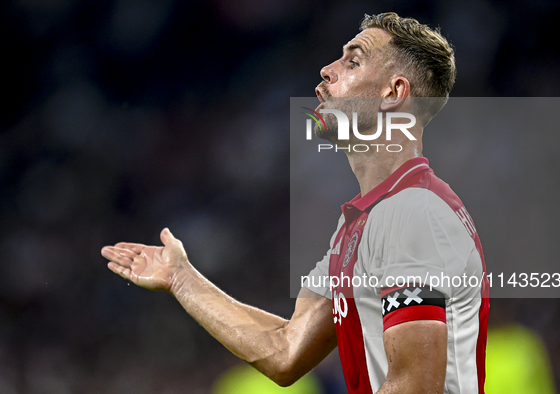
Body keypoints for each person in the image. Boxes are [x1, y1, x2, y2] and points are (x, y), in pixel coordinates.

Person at [101, 12, 489, 394]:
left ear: (393, 93)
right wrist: (181, 278)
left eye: (352, 61)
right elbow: (286, 350)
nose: (326, 70)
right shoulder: (363, 223)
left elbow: (416, 387)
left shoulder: (411, 213)